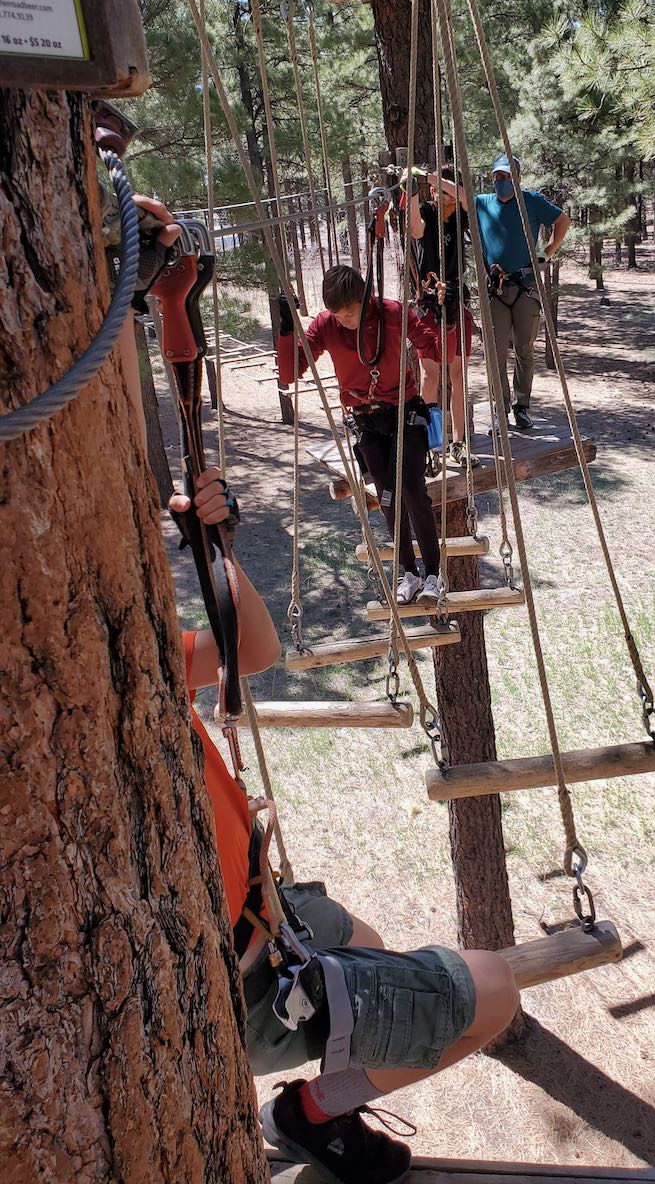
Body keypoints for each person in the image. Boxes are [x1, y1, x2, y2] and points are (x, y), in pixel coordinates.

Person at [120, 202, 520, 1184]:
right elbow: (299, 358)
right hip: (246, 978)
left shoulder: (123, 661)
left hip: (257, 917)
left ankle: (319, 1099)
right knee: (493, 988)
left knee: (367, 935)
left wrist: (211, 544)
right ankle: (308, 1103)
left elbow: (250, 648)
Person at [276, 264, 446, 606]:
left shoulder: (393, 314)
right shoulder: (326, 325)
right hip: (365, 421)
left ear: (365, 300)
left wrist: (441, 317)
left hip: (404, 413)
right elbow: (290, 372)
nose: (344, 321)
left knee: (413, 490)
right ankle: (407, 572)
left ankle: (433, 574)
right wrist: (284, 330)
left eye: (350, 313)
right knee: (386, 496)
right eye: (338, 315)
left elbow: (433, 345)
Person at [475, 154, 571, 430]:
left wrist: (547, 253)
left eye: (506, 176)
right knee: (494, 353)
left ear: (517, 177)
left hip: (525, 287)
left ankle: (522, 405)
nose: (501, 181)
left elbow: (562, 221)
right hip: (496, 289)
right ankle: (500, 407)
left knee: (524, 350)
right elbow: (457, 194)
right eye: (497, 176)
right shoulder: (482, 203)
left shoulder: (531, 201)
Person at [406, 164, 479, 469]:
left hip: (455, 303)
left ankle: (458, 444)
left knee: (458, 376)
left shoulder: (460, 217)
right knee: (430, 377)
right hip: (429, 307)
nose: (439, 194)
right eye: (435, 190)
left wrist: (434, 178)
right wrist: (411, 189)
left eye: (443, 189)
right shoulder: (426, 212)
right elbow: (414, 227)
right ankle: (431, 446)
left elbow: (465, 198)